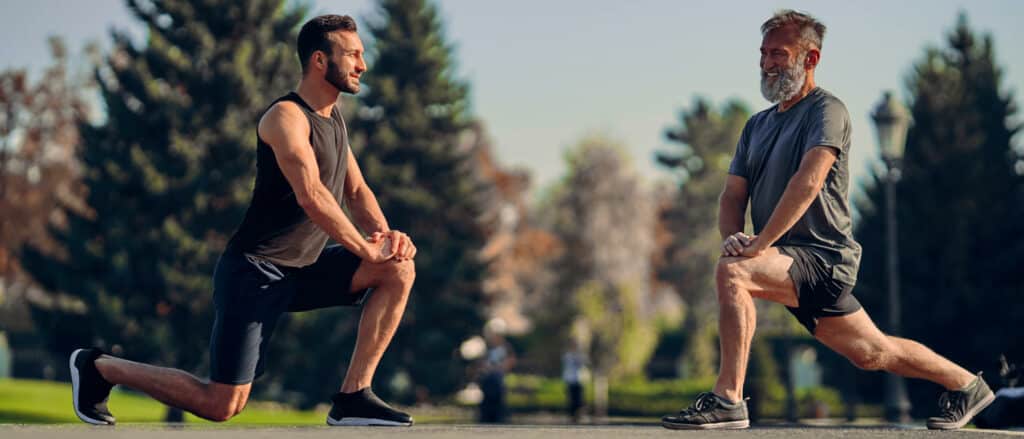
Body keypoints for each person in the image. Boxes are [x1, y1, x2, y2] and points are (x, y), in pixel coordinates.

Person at [69, 14, 418, 427]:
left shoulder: (334, 120)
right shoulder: (285, 117)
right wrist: (364, 249)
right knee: (222, 405)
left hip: (303, 270)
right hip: (254, 272)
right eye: (353, 55)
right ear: (320, 60)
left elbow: (356, 191)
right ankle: (98, 368)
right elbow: (311, 195)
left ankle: (353, 397)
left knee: (398, 268)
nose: (363, 64)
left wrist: (386, 238)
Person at [660, 10, 994, 431]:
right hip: (786, 258)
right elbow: (732, 195)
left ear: (811, 58)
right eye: (763, 53)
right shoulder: (756, 126)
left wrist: (758, 244)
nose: (766, 63)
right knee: (872, 352)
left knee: (734, 273)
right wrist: (733, 237)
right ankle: (967, 385)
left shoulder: (827, 110)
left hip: (823, 258)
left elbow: (809, 180)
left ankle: (728, 399)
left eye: (778, 54)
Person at [478, 319, 515, 423]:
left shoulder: (506, 348)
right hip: (487, 382)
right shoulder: (485, 348)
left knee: (499, 410)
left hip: (498, 383)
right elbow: (481, 364)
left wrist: (499, 368)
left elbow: (510, 362)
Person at [562, 340, 588, 423]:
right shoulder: (568, 356)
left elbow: (583, 364)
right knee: (571, 399)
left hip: (579, 379)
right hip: (570, 379)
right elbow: (567, 366)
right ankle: (572, 415)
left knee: (579, 399)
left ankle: (579, 414)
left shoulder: (581, 355)